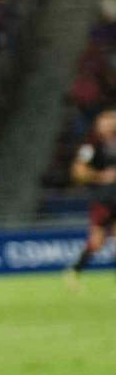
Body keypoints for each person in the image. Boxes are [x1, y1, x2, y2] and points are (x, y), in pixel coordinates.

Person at [66, 109, 116, 288]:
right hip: (103, 200)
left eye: (111, 120)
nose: (109, 124)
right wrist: (101, 176)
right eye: (105, 120)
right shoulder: (91, 145)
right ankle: (74, 272)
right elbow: (77, 171)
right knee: (96, 241)